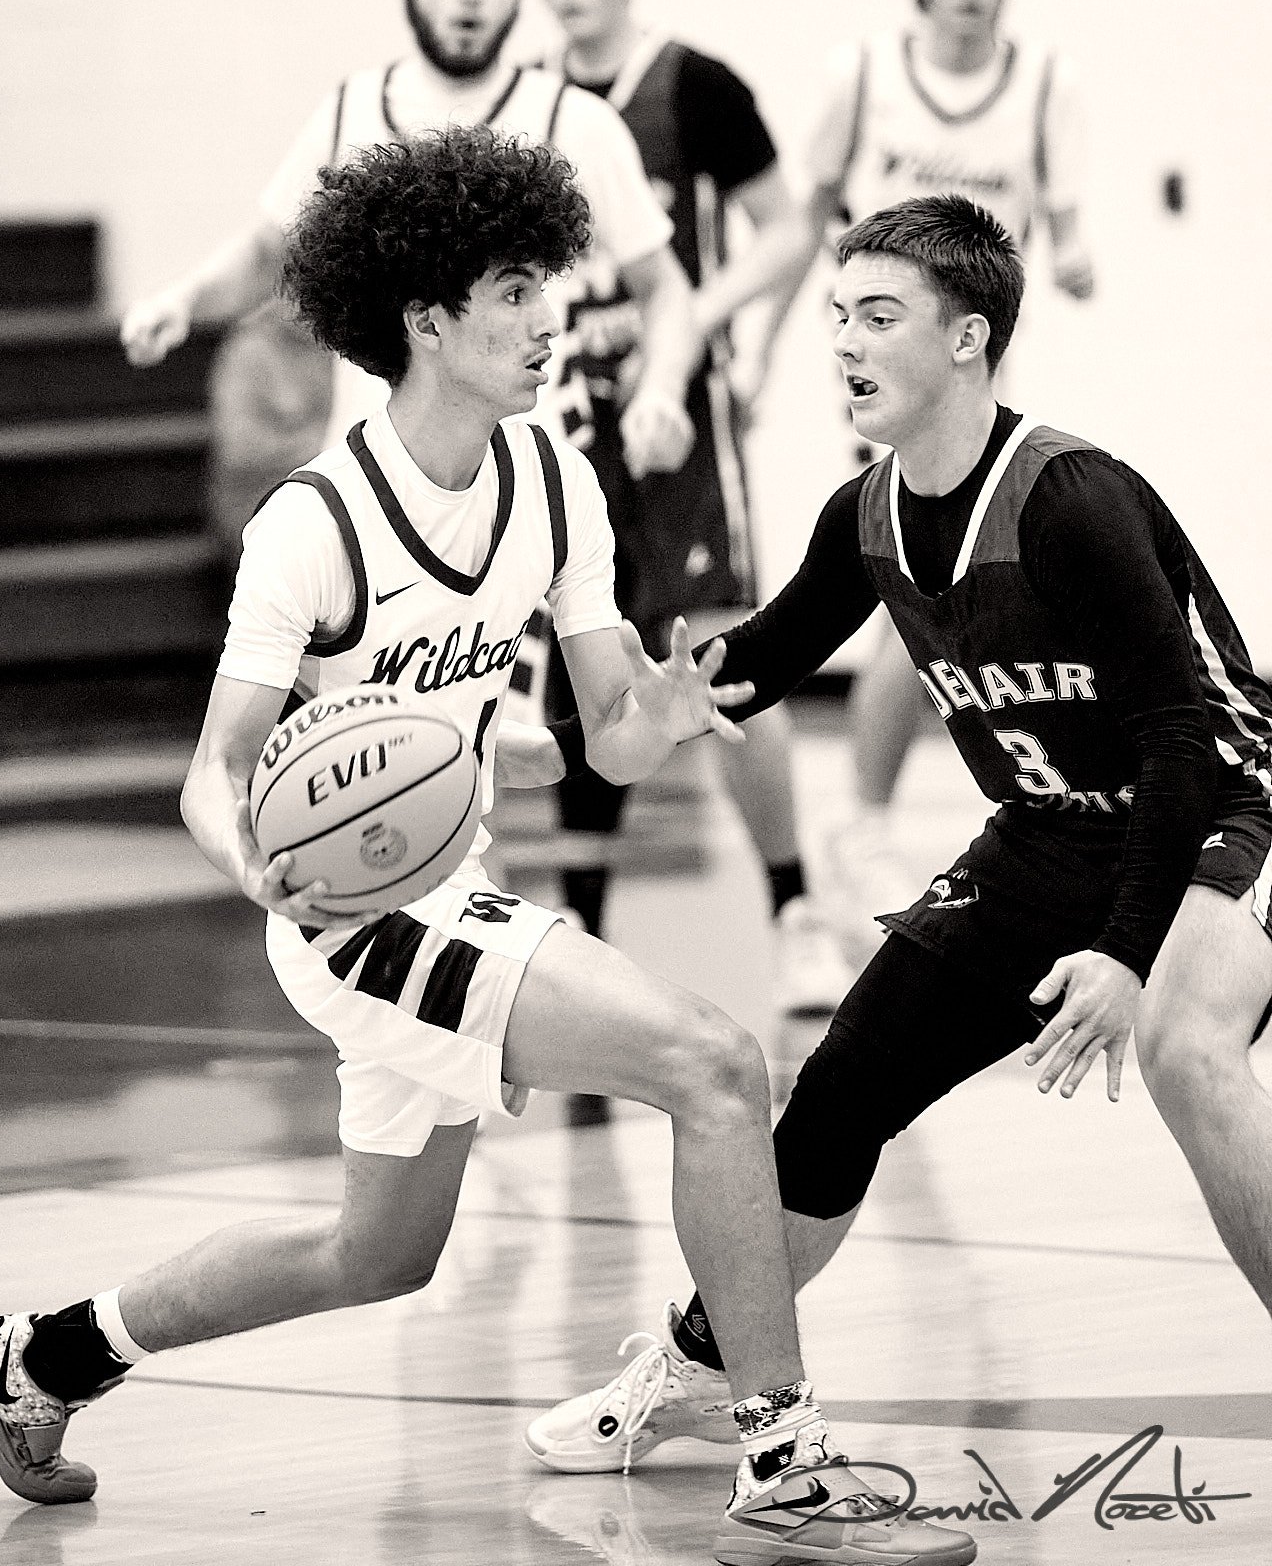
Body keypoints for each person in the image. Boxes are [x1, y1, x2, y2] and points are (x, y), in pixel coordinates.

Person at [0, 131, 970, 1566]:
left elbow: (611, 740)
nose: (554, 318)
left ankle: (40, 1356)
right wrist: (255, 865)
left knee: (376, 1253)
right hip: (349, 913)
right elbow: (210, 776)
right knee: (718, 1064)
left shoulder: (554, 482)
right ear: (426, 320)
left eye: (550, 284)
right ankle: (783, 1465)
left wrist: (662, 717)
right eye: (516, 293)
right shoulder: (312, 526)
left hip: (455, 889)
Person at [524, 193, 1272, 1473]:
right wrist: (584, 731)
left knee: (1185, 1049)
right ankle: (706, 1363)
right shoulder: (863, 516)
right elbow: (743, 672)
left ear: (968, 337)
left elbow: (1179, 742)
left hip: (1227, 804)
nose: (845, 343)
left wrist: (1123, 951)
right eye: (838, 316)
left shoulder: (1070, 499)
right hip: (1047, 831)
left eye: (879, 316)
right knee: (841, 1093)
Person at [703, 0, 1097, 924]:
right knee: (910, 586)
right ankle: (866, 824)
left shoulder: (1045, 84)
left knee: (936, 594)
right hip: (887, 370)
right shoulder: (866, 74)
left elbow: (1065, 220)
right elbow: (804, 224)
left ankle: (867, 824)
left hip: (977, 371)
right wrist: (760, 348)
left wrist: (1078, 255)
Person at [120, 0, 702, 552]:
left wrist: (660, 390)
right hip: (375, 486)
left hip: (521, 488)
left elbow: (665, 288)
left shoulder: (575, 122)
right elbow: (265, 254)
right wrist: (182, 300)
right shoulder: (351, 109)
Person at [532, 0, 842, 1012]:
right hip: (568, 411)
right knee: (583, 652)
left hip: (681, 422)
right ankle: (577, 923)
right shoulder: (532, 103)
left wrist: (699, 320)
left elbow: (792, 228)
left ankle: (795, 910)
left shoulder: (695, 86)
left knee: (721, 649)